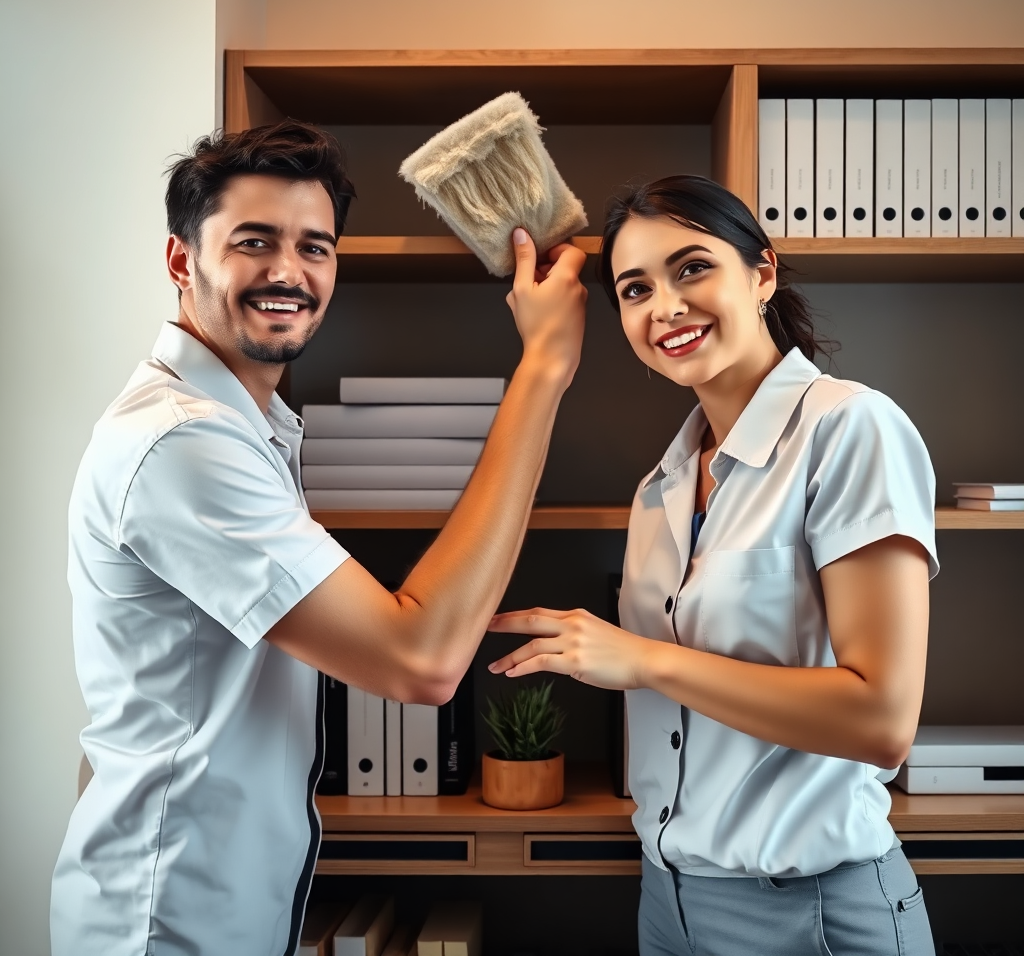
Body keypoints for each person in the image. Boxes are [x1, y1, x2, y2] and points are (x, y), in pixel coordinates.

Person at [52, 120, 587, 956]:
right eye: (253, 242)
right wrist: (544, 368)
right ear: (179, 262)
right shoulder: (182, 443)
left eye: (315, 247)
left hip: (218, 906)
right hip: (166, 924)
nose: (288, 273)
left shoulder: (246, 424)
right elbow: (421, 659)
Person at [489, 175, 938, 955]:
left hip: (811, 911)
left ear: (761, 273)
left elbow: (881, 722)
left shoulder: (850, 428)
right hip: (668, 903)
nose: (665, 307)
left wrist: (643, 661)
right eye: (635, 289)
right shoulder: (660, 487)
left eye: (692, 267)